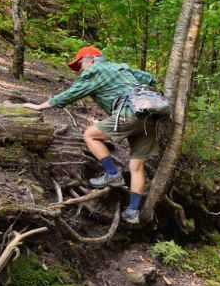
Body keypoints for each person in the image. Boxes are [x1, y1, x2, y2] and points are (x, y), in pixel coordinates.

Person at [22, 46, 158, 224]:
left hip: (129, 114)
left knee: (90, 135)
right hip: (149, 117)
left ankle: (112, 174)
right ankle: (132, 211)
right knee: (136, 167)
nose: (79, 69)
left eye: (79, 63)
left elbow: (70, 95)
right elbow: (150, 79)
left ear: (91, 59)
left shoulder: (93, 71)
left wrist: (40, 106)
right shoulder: (122, 67)